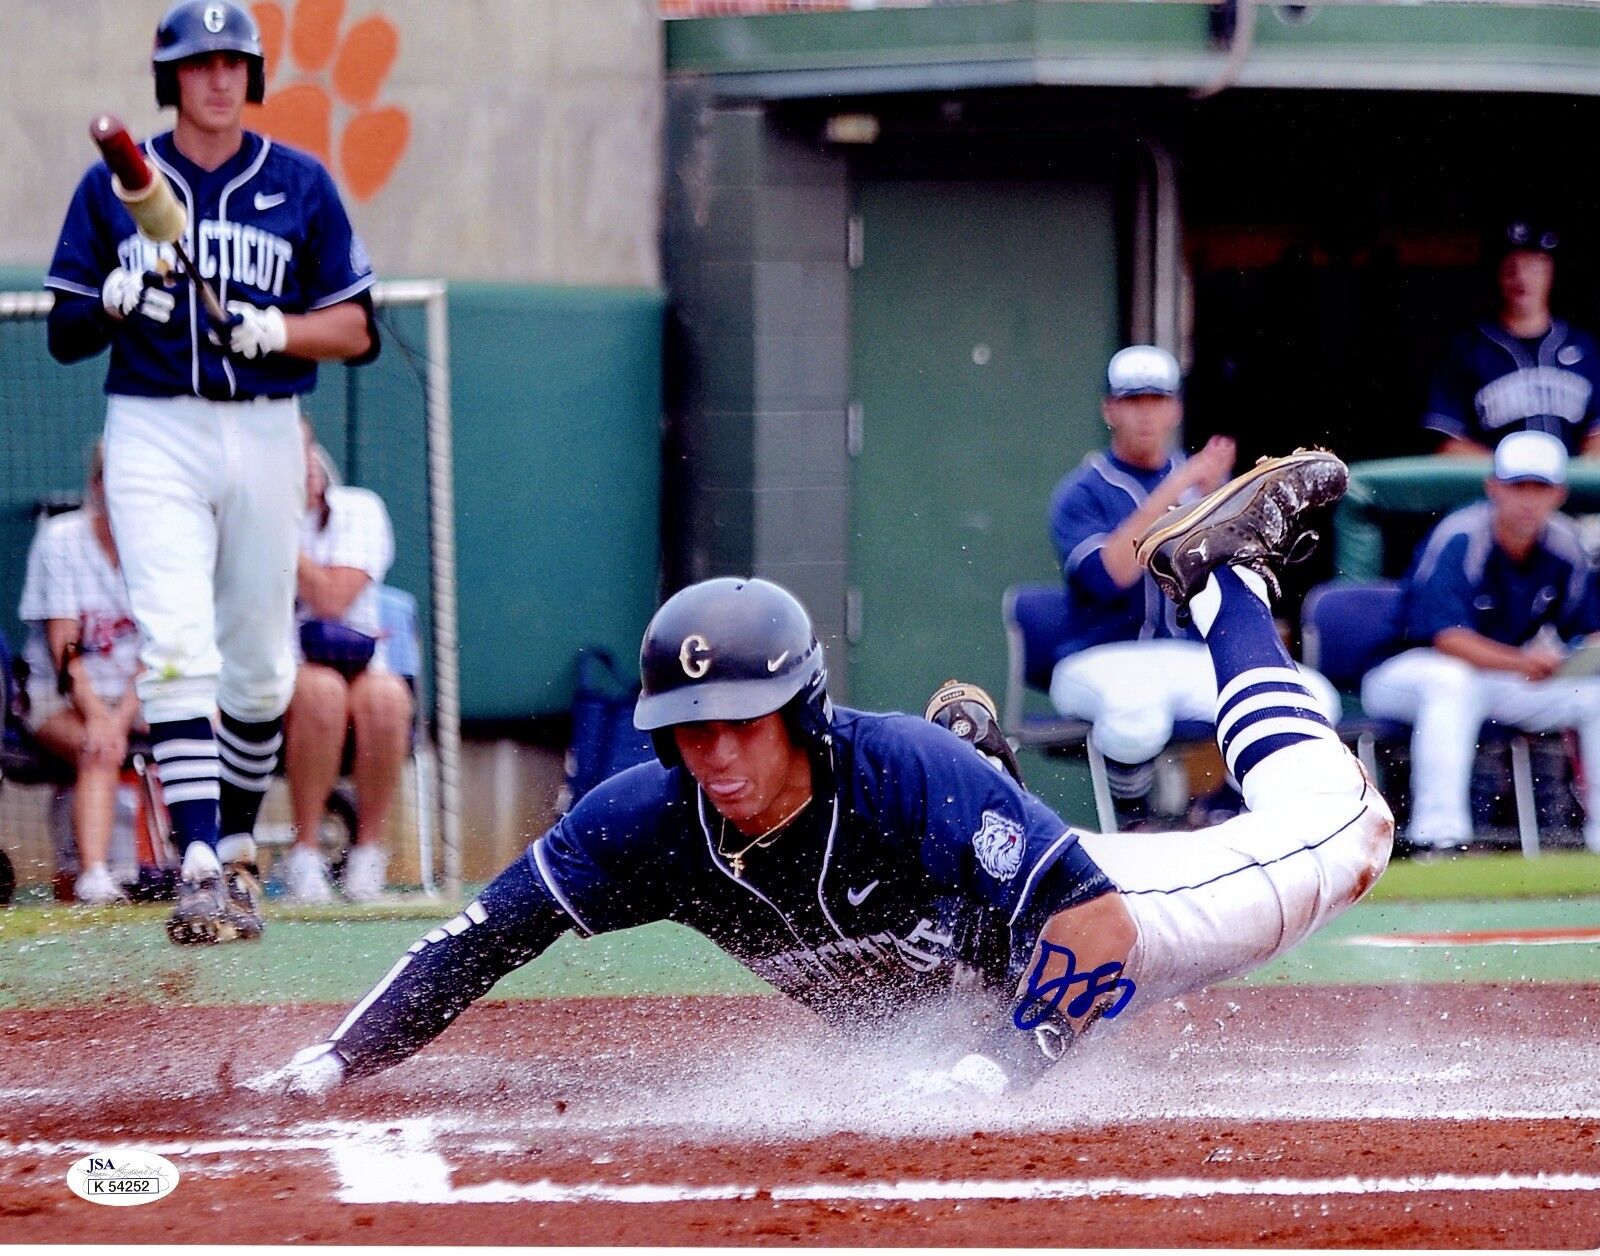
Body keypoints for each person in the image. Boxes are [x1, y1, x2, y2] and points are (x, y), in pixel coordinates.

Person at [248, 449, 1394, 1101]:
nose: (717, 753)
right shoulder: (646, 823)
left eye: (743, 722)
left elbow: (1091, 932)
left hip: (1103, 913)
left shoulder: (887, 765)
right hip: (964, 964)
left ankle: (1221, 583)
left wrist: (994, 1073)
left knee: (1344, 826)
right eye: (690, 730)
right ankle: (990, 803)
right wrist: (336, 1054)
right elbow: (475, 938)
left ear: (799, 709)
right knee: (963, 915)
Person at [42, 0, 379, 944]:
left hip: (270, 428)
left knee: (265, 669)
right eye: (200, 64)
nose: (219, 78)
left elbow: (358, 328)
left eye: (234, 62)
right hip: (153, 426)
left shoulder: (301, 183)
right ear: (172, 78)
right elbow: (65, 332)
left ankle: (233, 844)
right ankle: (197, 861)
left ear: (253, 75)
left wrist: (278, 328)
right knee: (177, 639)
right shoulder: (114, 188)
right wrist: (115, 297)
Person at [1046, 344, 1342, 828]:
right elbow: (1108, 576)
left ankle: (1217, 810)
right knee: (1134, 710)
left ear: (1175, 408)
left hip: (1186, 656)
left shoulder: (1205, 483)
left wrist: (1227, 508)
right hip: (1099, 656)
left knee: (1307, 699)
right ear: (1110, 409)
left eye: (1157, 400)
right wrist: (1179, 488)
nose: (1146, 413)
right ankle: (1137, 824)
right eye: (1133, 400)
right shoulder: (1082, 490)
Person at [1362, 430, 1600, 853]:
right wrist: (1522, 663)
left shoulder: (1567, 545)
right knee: (1451, 680)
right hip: (1403, 675)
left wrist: (1577, 656)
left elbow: (1585, 626)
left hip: (1497, 681)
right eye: (1517, 486)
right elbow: (1446, 639)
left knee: (1593, 696)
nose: (1528, 499)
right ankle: (1440, 838)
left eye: (1540, 487)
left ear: (1559, 493)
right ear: (1493, 487)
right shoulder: (1462, 535)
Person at [280, 429, 411, 904]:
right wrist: (272, 520)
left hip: (359, 662)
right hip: (279, 671)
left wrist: (278, 543)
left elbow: (333, 599)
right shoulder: (244, 517)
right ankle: (305, 856)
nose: (307, 464)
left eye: (308, 451)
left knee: (388, 697)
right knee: (321, 692)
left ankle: (367, 858)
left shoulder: (360, 508)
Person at [16, 445, 144, 906]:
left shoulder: (160, 545)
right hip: (57, 692)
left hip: (135, 694)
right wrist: (100, 719)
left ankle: (206, 866)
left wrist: (123, 714)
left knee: (203, 723)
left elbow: (161, 651)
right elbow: (63, 647)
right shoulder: (61, 539)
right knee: (98, 747)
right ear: (96, 486)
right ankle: (93, 877)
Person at [1423, 218, 1600, 457]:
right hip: (1491, 492)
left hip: (1570, 492)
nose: (1521, 277)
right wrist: (1511, 479)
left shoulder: (1584, 347)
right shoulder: (1467, 348)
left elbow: (1597, 439)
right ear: (1496, 274)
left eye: (1533, 265)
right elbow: (1449, 444)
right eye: (1511, 266)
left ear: (1551, 271)